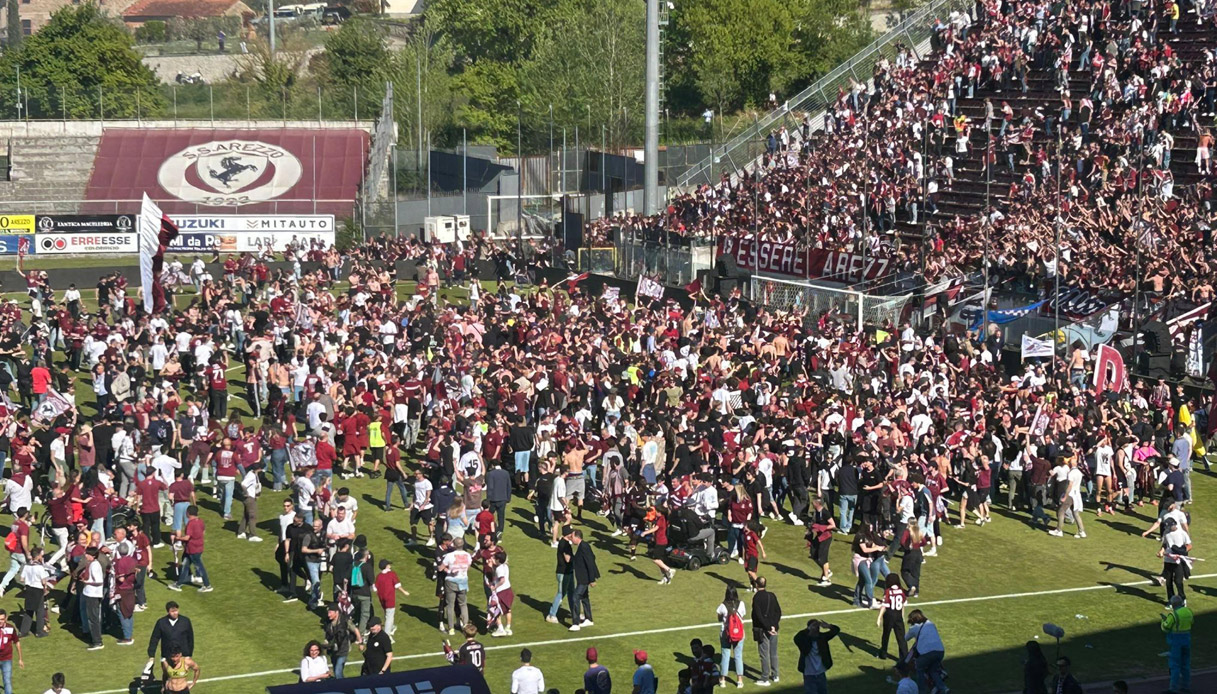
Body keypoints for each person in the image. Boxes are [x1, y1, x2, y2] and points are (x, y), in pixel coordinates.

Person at [168, 505, 212, 592]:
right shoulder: (200, 521)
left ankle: (207, 585)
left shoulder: (190, 524)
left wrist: (177, 538)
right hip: (198, 547)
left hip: (192, 549)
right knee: (185, 564)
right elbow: (203, 532)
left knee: (199, 567)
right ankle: (179, 584)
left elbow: (187, 537)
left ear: (188, 513)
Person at [905, 610, 948, 694]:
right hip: (940, 651)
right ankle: (944, 688)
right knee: (933, 671)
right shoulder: (931, 624)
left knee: (919, 670)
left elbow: (906, 638)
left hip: (927, 653)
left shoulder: (914, 628)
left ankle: (922, 691)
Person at [793, 619, 840, 694]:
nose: (816, 629)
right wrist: (809, 631)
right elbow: (797, 639)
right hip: (809, 674)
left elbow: (836, 630)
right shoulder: (804, 639)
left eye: (817, 627)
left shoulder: (822, 638)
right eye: (814, 627)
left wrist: (828, 626)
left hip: (821, 672)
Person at [751, 576, 782, 686]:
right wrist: (773, 626)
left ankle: (765, 677)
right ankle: (775, 675)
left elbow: (758, 616)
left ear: (756, 585)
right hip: (773, 628)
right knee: (773, 652)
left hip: (763, 629)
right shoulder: (771, 596)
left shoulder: (756, 598)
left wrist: (768, 627)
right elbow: (778, 612)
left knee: (764, 654)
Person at [1161, 594, 1193, 694]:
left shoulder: (1173, 615)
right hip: (1187, 639)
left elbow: (1165, 628)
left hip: (1176, 641)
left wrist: (1163, 620)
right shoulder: (1189, 611)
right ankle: (1186, 687)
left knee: (1175, 665)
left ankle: (1173, 689)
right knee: (1185, 664)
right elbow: (1191, 622)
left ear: (1173, 605)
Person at [716, 586, 746, 688]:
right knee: (738, 656)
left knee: (725, 656)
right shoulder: (741, 604)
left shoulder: (722, 606)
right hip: (739, 634)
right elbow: (743, 615)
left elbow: (719, 619)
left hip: (726, 633)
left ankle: (723, 680)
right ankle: (740, 680)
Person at [569, 529, 599, 631]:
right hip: (582, 577)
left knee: (575, 597)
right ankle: (588, 619)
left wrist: (592, 579)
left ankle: (576, 623)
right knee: (584, 598)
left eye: (572, 537)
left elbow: (590, 562)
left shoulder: (584, 546)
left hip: (584, 579)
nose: (571, 539)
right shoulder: (582, 546)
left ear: (577, 537)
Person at [321, 603, 360, 679]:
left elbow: (355, 629)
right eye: (328, 613)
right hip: (333, 650)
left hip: (344, 649)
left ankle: (342, 687)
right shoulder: (328, 622)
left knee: (338, 672)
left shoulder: (345, 620)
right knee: (336, 670)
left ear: (337, 612)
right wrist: (325, 644)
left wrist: (360, 641)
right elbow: (327, 636)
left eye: (330, 612)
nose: (328, 615)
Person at [373, 559, 409, 638]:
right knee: (389, 616)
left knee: (387, 614)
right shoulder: (391, 574)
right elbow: (397, 585)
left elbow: (375, 588)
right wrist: (404, 592)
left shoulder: (379, 576)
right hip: (390, 598)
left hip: (382, 598)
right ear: (386, 566)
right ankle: (386, 635)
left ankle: (391, 627)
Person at [876, 574, 908, 662]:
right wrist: (902, 616)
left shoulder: (888, 591)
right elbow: (902, 605)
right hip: (898, 615)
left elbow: (884, 606)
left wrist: (879, 618)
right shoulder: (901, 591)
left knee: (886, 635)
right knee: (901, 638)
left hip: (889, 615)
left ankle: (883, 654)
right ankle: (905, 657)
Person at [0, 610, 23, 694]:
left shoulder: (10, 628)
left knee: (7, 681)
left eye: (2, 619)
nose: (0, 621)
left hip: (7, 659)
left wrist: (20, 659)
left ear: (5, 618)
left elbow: (17, 642)